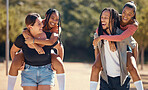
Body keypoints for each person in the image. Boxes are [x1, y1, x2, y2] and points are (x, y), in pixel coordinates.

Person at [8, 9, 65, 90]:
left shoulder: (56, 28)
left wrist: (34, 41)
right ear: (46, 16)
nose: (54, 21)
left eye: (57, 19)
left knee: (58, 60)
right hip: (29, 50)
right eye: (52, 18)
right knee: (17, 59)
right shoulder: (40, 21)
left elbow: (52, 42)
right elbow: (25, 32)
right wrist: (35, 46)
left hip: (48, 49)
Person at [91, 1, 143, 90]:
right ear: (121, 11)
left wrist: (132, 63)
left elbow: (122, 38)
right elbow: (99, 30)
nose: (125, 16)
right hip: (114, 38)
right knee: (95, 67)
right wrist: (109, 41)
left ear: (133, 15)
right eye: (124, 12)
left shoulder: (133, 25)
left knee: (133, 68)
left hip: (125, 45)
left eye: (129, 14)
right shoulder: (116, 18)